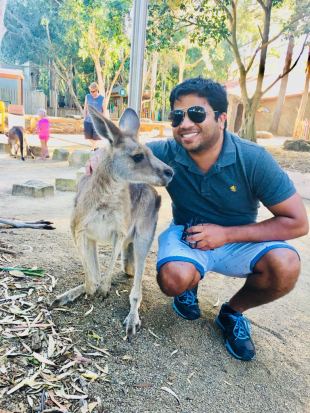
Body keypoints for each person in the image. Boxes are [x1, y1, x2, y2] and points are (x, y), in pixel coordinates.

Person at [86, 77, 309, 362]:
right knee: (173, 278)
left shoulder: (253, 159)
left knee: (286, 265)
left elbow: (298, 222)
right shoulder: (169, 152)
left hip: (238, 239)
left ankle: (232, 313)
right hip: (188, 236)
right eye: (178, 116)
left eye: (197, 114)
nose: (186, 123)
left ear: (222, 119)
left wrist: (227, 235)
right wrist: (97, 155)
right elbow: (124, 148)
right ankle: (188, 288)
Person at [84, 82, 106, 151]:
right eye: (90, 91)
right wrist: (84, 117)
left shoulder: (102, 99)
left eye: (93, 91)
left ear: (97, 90)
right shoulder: (87, 96)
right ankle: (95, 147)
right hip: (88, 120)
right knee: (88, 136)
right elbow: (85, 108)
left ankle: (93, 148)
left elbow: (104, 110)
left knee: (96, 137)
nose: (91, 93)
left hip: (97, 121)